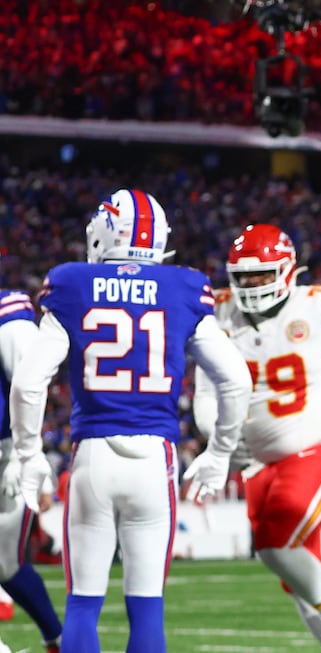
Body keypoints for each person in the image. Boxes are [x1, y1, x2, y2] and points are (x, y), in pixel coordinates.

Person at [8, 189, 252, 653]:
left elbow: (27, 383)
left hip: (92, 457)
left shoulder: (72, 282)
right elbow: (236, 381)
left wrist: (28, 454)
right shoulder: (184, 286)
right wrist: (218, 454)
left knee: (82, 604)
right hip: (154, 460)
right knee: (147, 607)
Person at [193, 223, 321, 652]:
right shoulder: (218, 313)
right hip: (255, 459)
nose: (253, 285)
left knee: (274, 545)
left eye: (263, 274)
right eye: (244, 276)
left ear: (289, 272)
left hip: (317, 444)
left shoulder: (319, 306)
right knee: (296, 571)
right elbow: (205, 392)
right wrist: (216, 437)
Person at [0, 288, 63, 652]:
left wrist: (24, 452)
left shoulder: (6, 312)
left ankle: (57, 638)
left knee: (6, 564)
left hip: (4, 453)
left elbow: (28, 382)